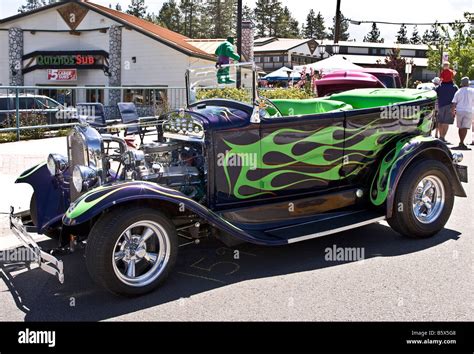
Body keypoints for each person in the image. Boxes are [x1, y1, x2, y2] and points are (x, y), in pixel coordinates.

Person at [451, 76, 474, 150]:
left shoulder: (459, 91)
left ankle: (461, 142)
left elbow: (454, 102)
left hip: (460, 110)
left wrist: (453, 111)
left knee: (460, 127)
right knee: (464, 127)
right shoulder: (472, 91)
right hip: (469, 111)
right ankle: (462, 142)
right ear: (468, 83)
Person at [435, 80, 458, 144]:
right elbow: (457, 97)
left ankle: (440, 137)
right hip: (450, 106)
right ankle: (443, 137)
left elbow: (435, 95)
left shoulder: (439, 87)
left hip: (440, 106)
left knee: (440, 121)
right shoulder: (454, 87)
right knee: (446, 123)